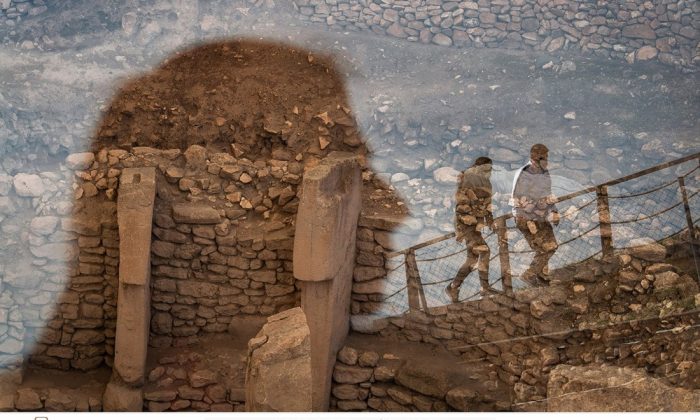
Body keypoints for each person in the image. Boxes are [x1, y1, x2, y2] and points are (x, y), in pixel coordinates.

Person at [446, 156, 494, 302]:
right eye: (486, 169)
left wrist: (490, 221)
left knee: (472, 259)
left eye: (490, 169)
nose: (489, 172)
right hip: (467, 225)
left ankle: (453, 287)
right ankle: (484, 289)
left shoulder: (485, 182)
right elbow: (461, 207)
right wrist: (469, 226)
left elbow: (487, 204)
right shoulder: (467, 178)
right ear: (477, 167)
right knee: (484, 251)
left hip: (474, 225)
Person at [511, 144, 560, 284]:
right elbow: (518, 200)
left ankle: (541, 277)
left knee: (548, 247)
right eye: (544, 157)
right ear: (535, 159)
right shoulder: (524, 174)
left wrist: (554, 210)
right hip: (526, 217)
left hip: (540, 216)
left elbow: (547, 194)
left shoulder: (544, 172)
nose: (547, 160)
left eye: (546, 157)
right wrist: (528, 221)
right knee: (547, 248)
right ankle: (530, 274)